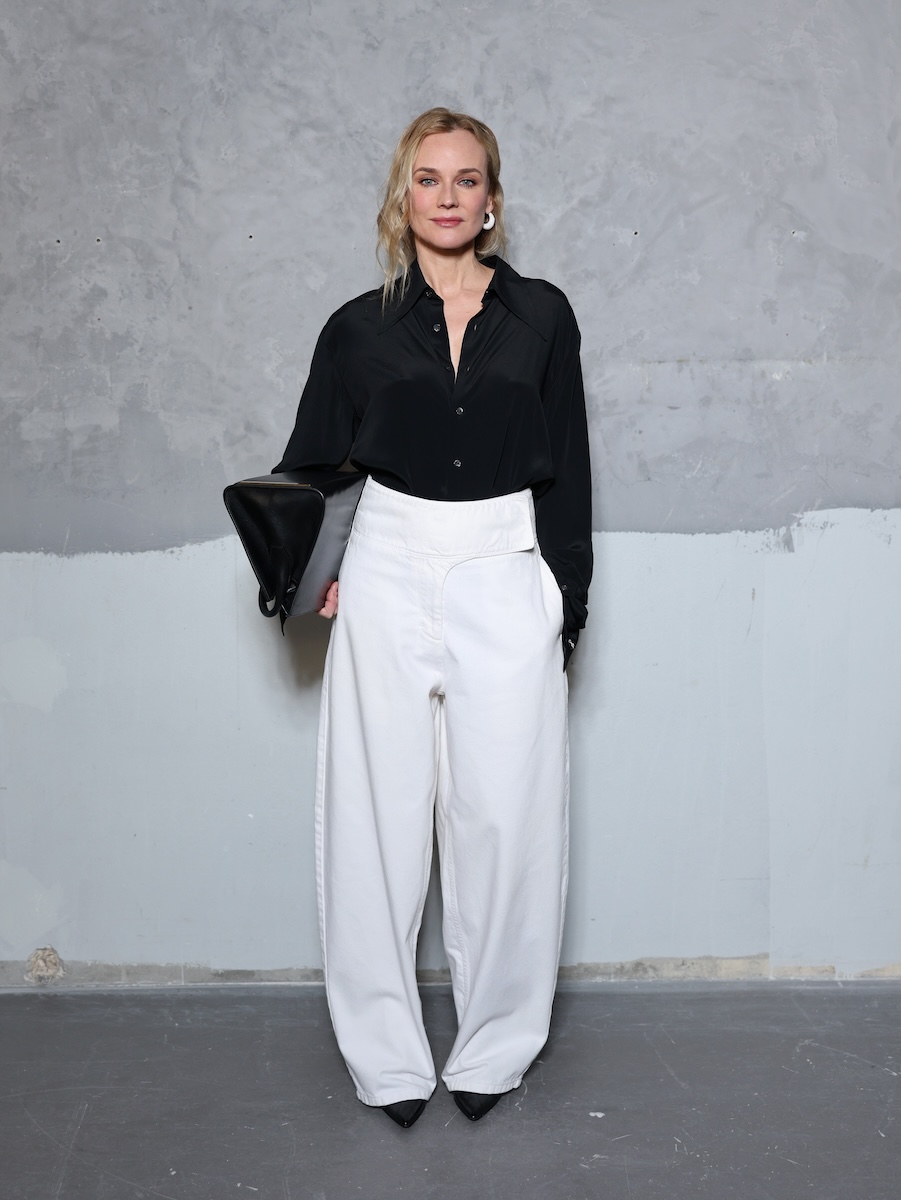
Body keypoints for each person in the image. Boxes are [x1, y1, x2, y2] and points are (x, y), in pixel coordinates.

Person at [274, 107, 592, 1128]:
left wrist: (562, 601)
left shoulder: (542, 317)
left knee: (505, 816)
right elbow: (313, 464)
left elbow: (569, 470)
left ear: (491, 198)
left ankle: (495, 1047)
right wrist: (311, 576)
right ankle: (386, 1059)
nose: (446, 197)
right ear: (401, 196)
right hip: (386, 559)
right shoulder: (355, 328)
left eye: (465, 179)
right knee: (376, 815)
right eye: (427, 178)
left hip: (505, 558)